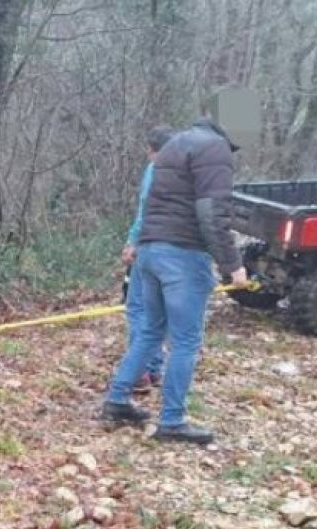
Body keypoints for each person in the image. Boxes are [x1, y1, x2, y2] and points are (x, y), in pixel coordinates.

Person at [99, 116, 249, 444]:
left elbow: (148, 202)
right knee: (185, 341)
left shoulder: (174, 145)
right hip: (183, 255)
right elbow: (212, 213)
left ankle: (117, 400)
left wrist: (140, 243)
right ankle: (172, 420)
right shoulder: (215, 149)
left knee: (150, 332)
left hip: (150, 252)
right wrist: (232, 264)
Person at [122, 126, 175, 389]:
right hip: (177, 254)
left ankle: (139, 371)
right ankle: (154, 368)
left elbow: (146, 212)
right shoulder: (189, 173)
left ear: (152, 149)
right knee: (158, 312)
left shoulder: (155, 171)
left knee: (138, 308)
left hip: (150, 249)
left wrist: (133, 242)